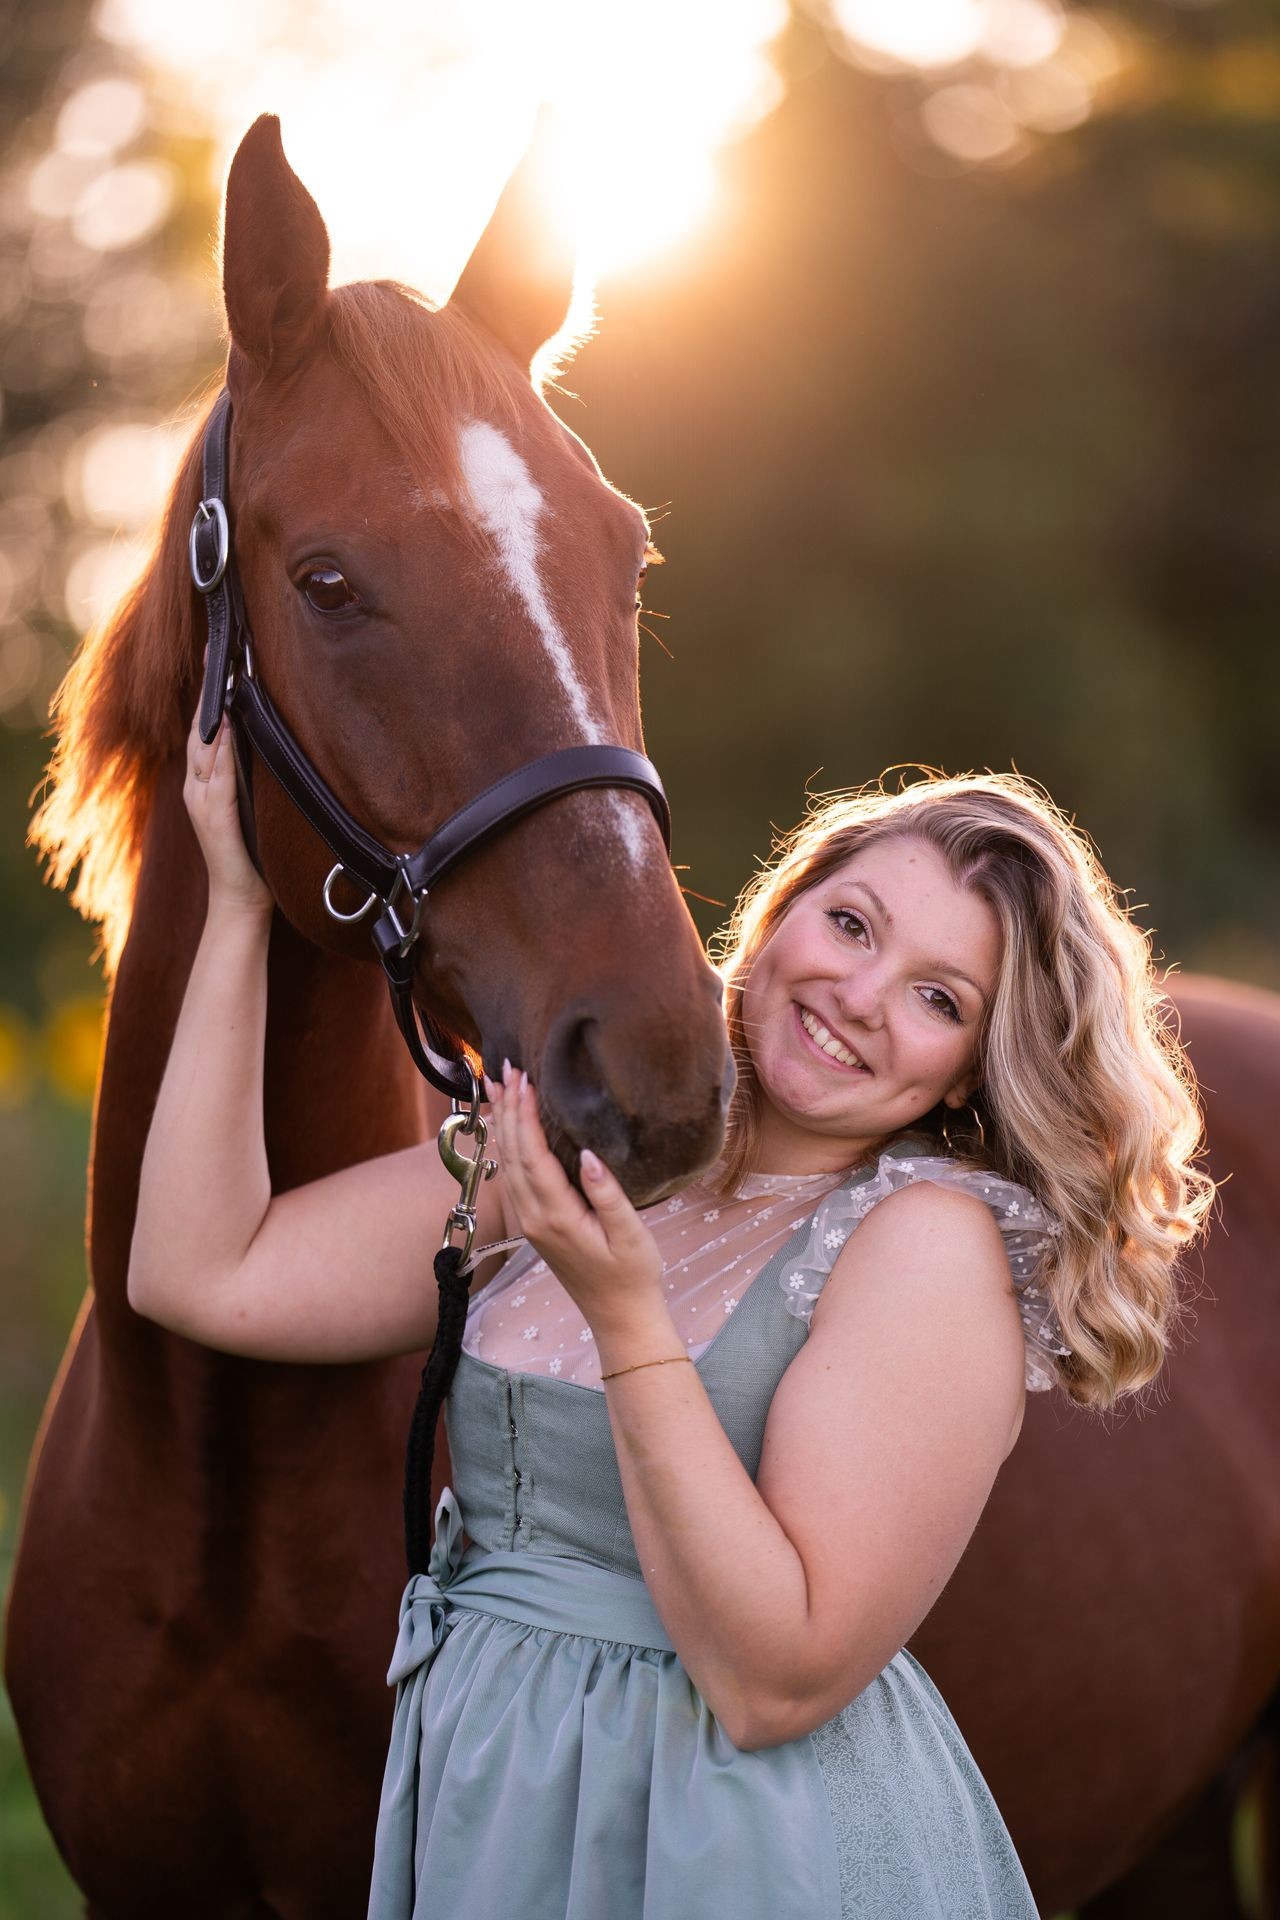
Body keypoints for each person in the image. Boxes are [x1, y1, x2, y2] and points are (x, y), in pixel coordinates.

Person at [129, 707, 1212, 1919]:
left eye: (935, 998)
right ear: (782, 910)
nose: (856, 995)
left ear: (969, 1069)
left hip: (730, 1850)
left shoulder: (926, 1245)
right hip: (495, 1793)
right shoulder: (603, 1131)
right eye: (848, 924)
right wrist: (233, 907)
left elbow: (776, 1681)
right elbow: (202, 1270)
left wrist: (626, 1320)